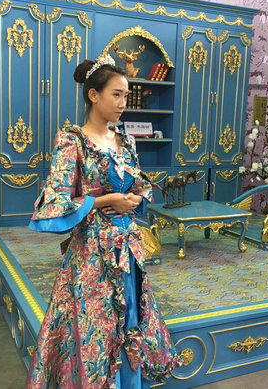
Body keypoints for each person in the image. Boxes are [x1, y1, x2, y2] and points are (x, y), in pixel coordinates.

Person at [25, 55, 182, 388]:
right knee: (95, 326)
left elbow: (138, 183)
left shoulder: (126, 141)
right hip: (91, 255)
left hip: (128, 252)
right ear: (93, 95)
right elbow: (55, 201)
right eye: (116, 94)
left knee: (129, 320)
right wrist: (104, 200)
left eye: (126, 95)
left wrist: (136, 197)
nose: (123, 103)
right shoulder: (72, 142)